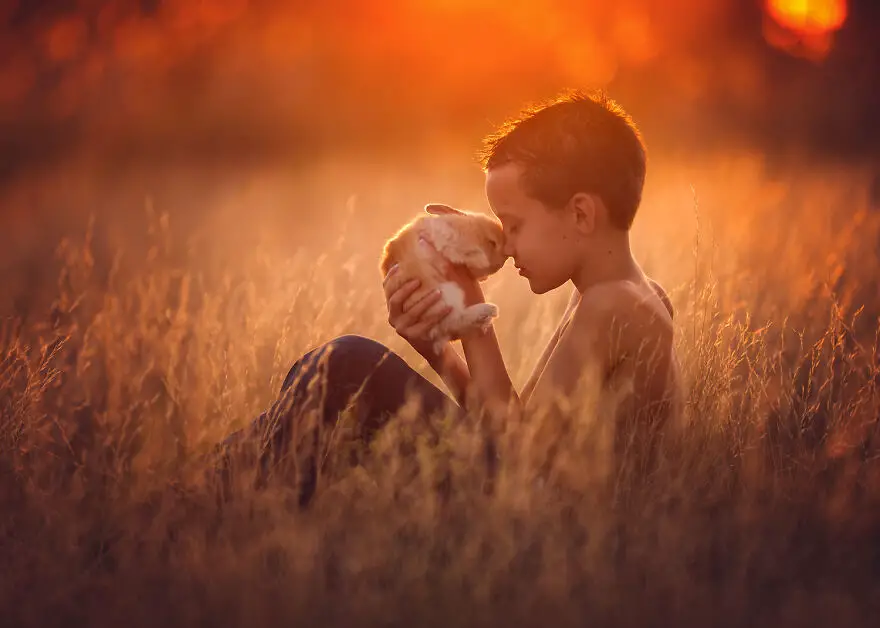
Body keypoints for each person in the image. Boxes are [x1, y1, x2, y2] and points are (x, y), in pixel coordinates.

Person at [216, 90, 681, 506]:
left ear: (580, 213)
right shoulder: (620, 295)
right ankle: (228, 486)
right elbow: (515, 428)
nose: (509, 245)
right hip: (533, 496)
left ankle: (217, 492)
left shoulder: (612, 306)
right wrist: (438, 347)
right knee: (319, 375)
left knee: (347, 364)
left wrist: (472, 319)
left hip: (548, 522)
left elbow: (518, 457)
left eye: (514, 225)